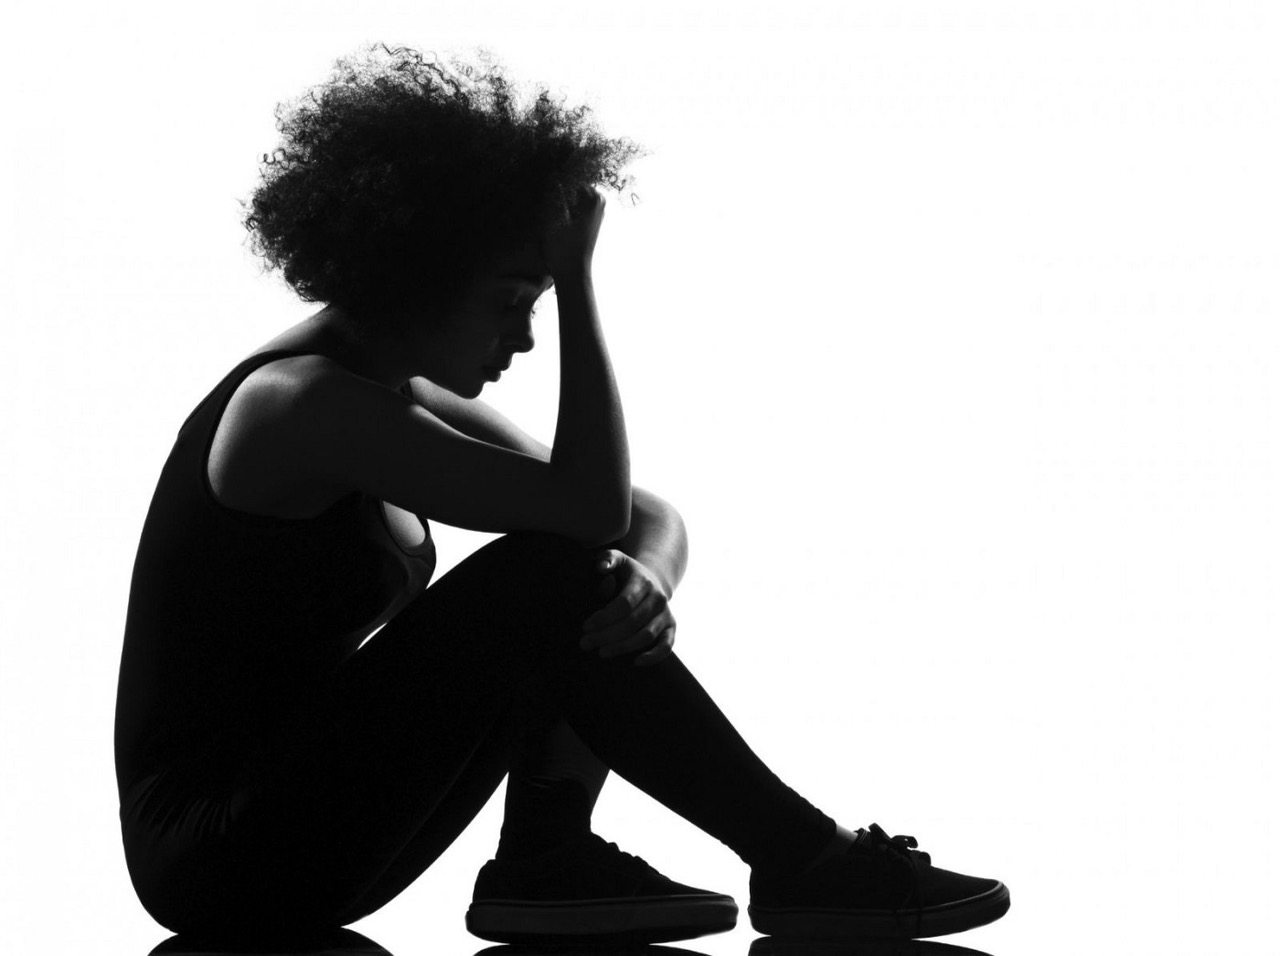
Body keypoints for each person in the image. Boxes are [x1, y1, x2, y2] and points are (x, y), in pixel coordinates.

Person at [114, 43, 1010, 947]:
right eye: (513, 300)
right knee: (550, 569)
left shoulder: (396, 393)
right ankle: (803, 859)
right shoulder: (296, 406)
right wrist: (580, 279)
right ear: (414, 271)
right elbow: (586, 511)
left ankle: (548, 859)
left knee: (580, 565)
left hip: (308, 828)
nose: (528, 338)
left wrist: (643, 581)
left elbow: (634, 515)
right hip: (217, 854)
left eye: (539, 300)